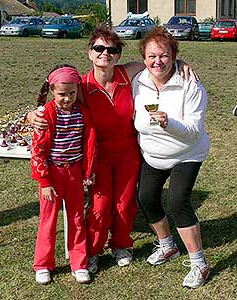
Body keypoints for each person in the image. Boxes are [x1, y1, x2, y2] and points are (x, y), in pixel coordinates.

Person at [28, 27, 192, 274]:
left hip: (128, 152)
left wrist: (179, 62)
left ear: (118, 55)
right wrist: (32, 115)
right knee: (100, 206)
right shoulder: (80, 85)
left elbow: (157, 61)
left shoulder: (128, 73)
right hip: (98, 156)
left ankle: (121, 245)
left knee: (125, 204)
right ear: (89, 53)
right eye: (99, 48)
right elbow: (55, 101)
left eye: (112, 49)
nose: (105, 53)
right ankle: (93, 251)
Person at [132, 27, 210, 289]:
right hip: (153, 153)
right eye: (152, 56)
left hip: (187, 152)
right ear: (143, 57)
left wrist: (169, 123)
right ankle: (167, 245)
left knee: (177, 202)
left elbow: (192, 132)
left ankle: (199, 263)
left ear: (174, 56)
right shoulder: (138, 81)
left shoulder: (191, 84)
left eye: (164, 56)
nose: (158, 62)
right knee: (145, 197)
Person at [30, 65, 96, 285]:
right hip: (53, 174)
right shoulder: (46, 114)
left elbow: (88, 144)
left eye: (72, 93)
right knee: (48, 220)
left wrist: (88, 171)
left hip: (75, 173)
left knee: (77, 219)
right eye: (61, 94)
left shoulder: (82, 113)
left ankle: (79, 263)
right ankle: (43, 264)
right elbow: (37, 150)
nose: (67, 98)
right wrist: (45, 181)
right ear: (51, 91)